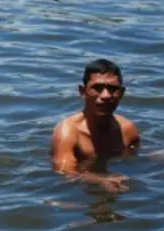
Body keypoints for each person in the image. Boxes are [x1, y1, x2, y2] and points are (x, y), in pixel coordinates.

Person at [51, 59, 138, 192]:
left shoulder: (127, 129)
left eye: (113, 89)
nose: (106, 96)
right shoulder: (68, 131)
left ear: (121, 93)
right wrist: (101, 180)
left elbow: (139, 153)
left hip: (113, 179)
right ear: (82, 92)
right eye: (97, 88)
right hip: (78, 191)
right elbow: (64, 173)